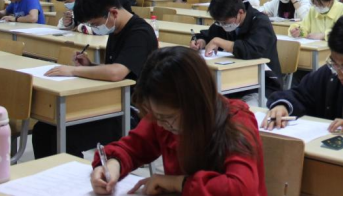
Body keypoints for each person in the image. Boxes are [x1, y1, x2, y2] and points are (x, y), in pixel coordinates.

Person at [91, 47, 266, 197]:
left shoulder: (236, 121)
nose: (160, 124)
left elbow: (241, 188)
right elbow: (132, 148)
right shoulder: (165, 115)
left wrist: (177, 183)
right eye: (156, 116)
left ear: (194, 103)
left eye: (167, 118)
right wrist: (113, 165)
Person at [35, 0, 158, 158]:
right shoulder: (116, 29)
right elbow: (121, 69)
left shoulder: (140, 33)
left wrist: (73, 71)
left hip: (133, 113)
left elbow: (117, 73)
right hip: (112, 103)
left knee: (59, 136)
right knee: (44, 129)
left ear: (113, 13)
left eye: (94, 24)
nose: (94, 28)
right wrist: (90, 66)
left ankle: (71, 175)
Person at [191, 0, 282, 103]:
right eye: (219, 22)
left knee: (246, 107)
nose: (223, 25)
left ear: (240, 12)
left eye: (225, 22)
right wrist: (201, 41)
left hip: (262, 84)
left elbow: (251, 50)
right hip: (232, 83)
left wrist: (219, 41)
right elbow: (208, 35)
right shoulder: (225, 22)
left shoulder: (260, 22)